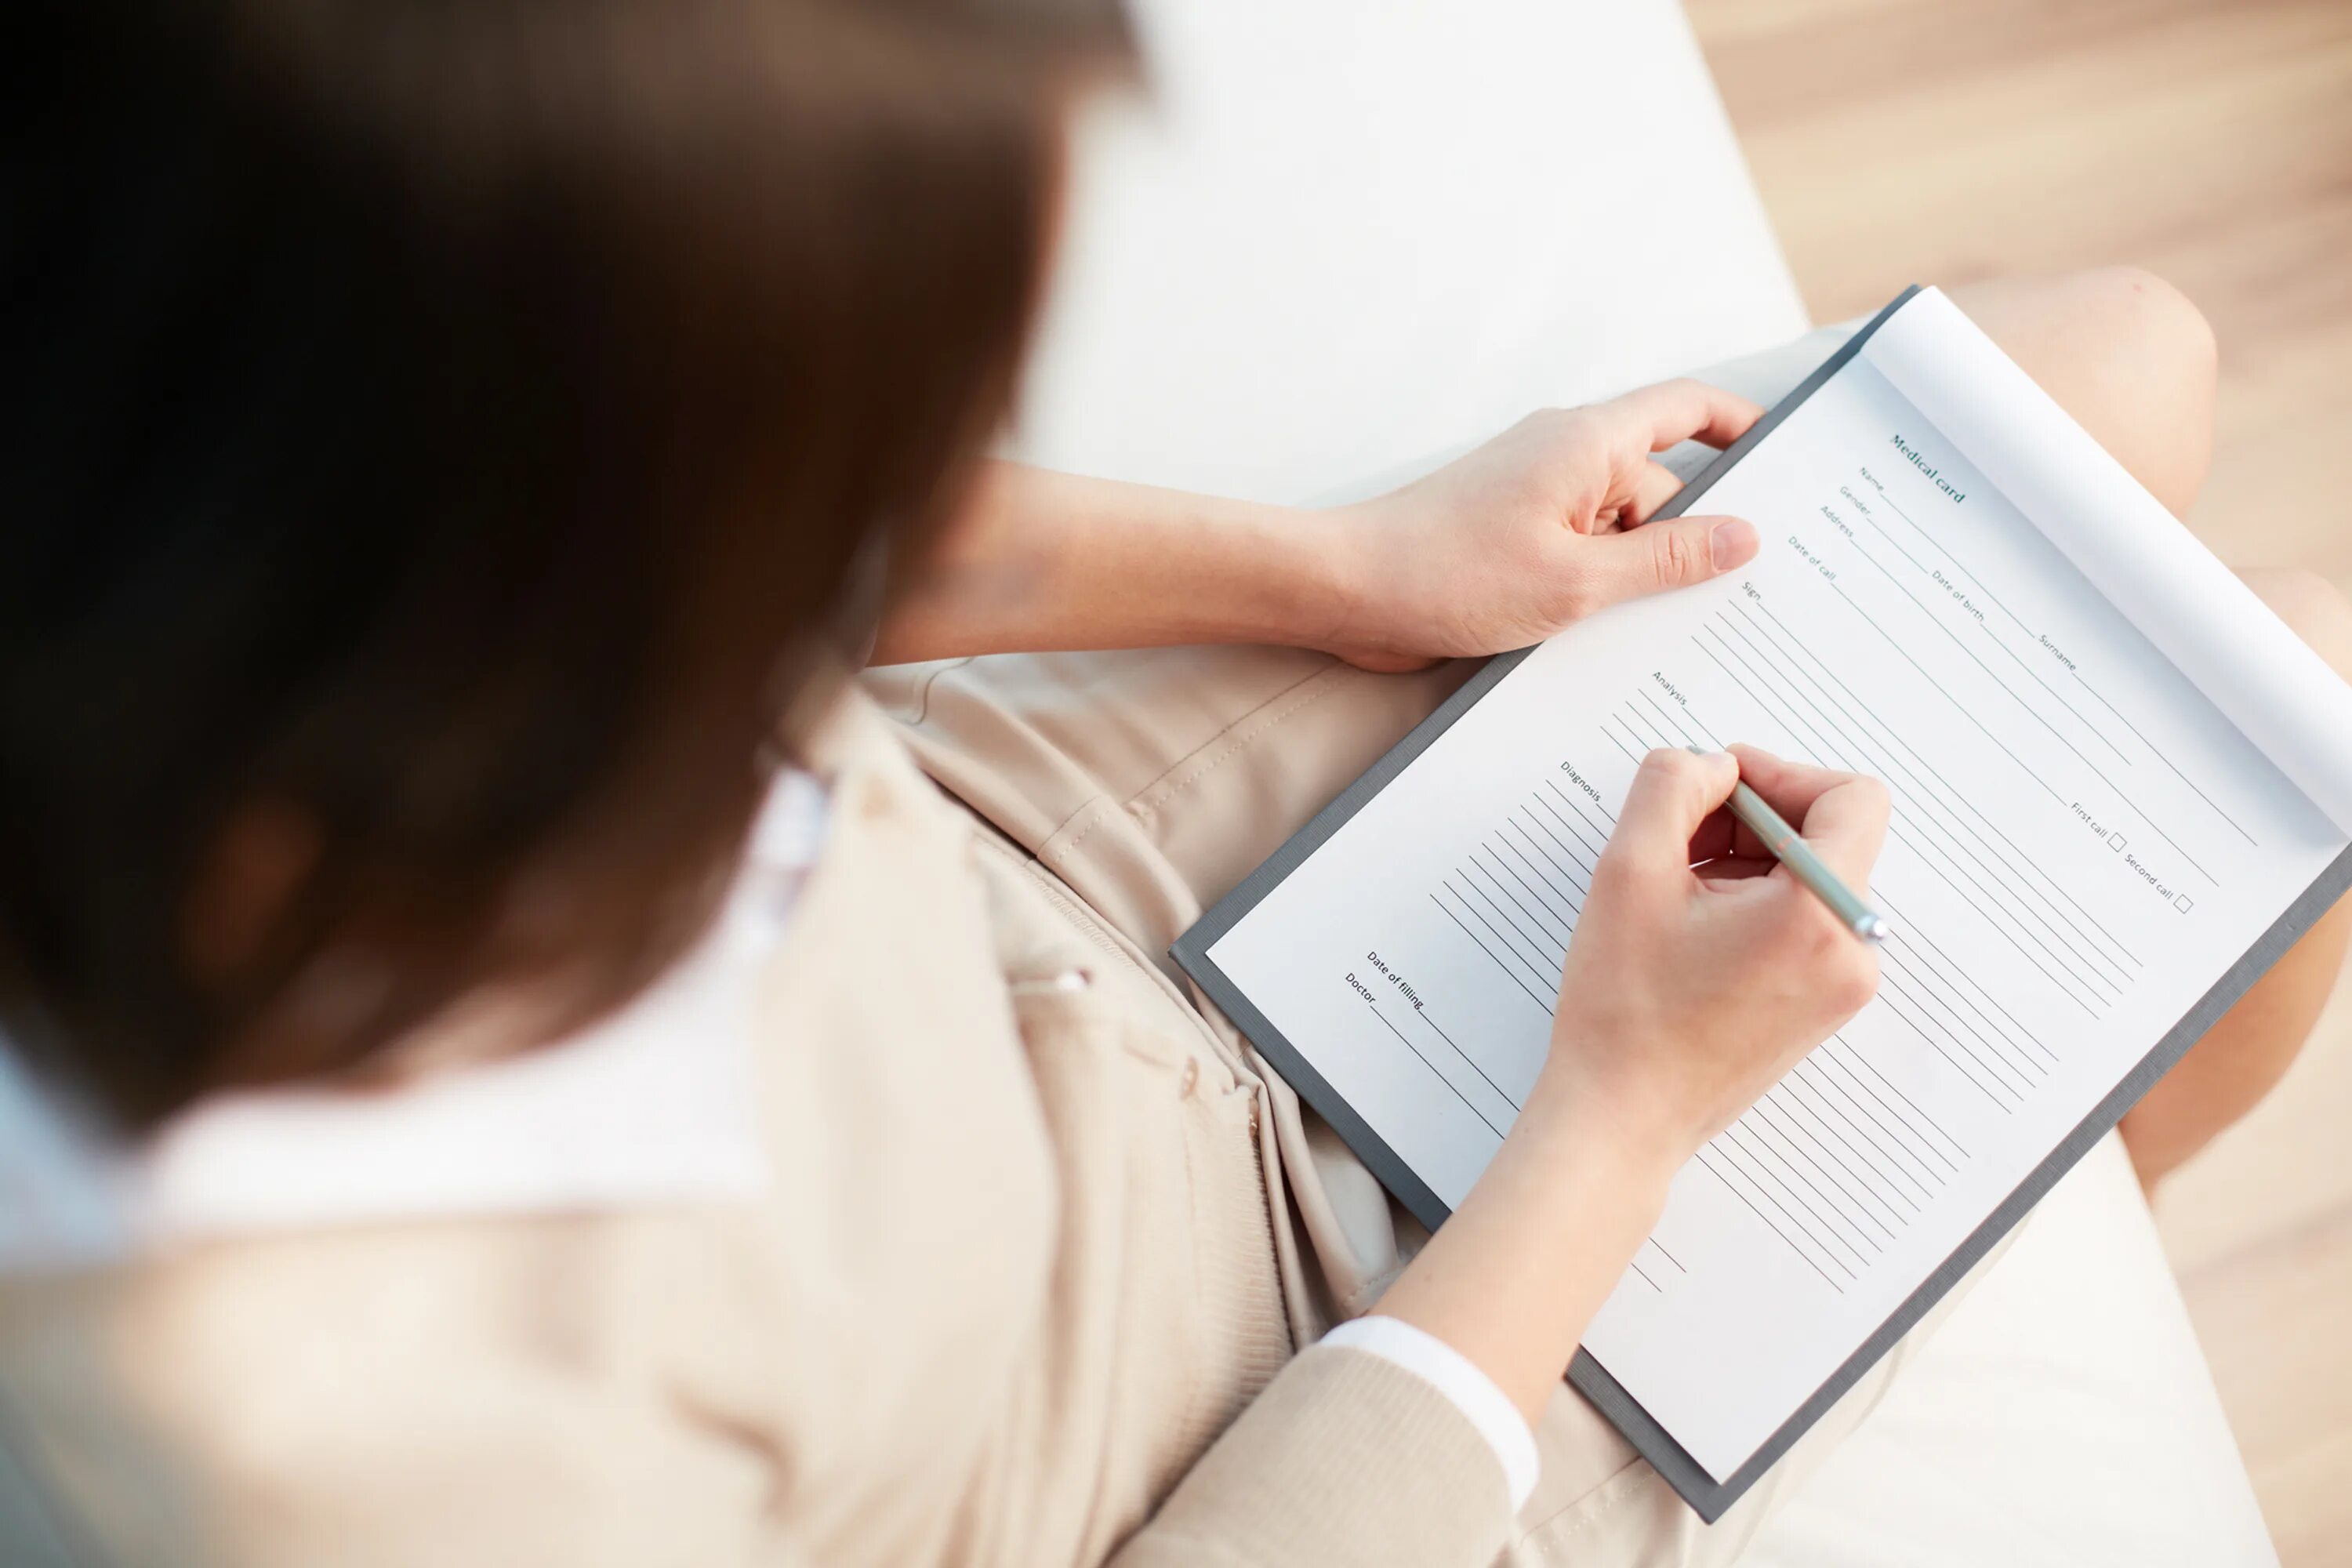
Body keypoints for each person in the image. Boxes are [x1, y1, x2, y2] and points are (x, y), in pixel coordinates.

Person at [2, 2, 2345, 1565]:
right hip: (1212, 1405)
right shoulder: (335, 1445)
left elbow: (778, 531)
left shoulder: (202, 412)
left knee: (2111, 378)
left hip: (1046, 860)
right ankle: (1943, 1221)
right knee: (2246, 858)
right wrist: (1622, 1121)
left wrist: (1354, 571)